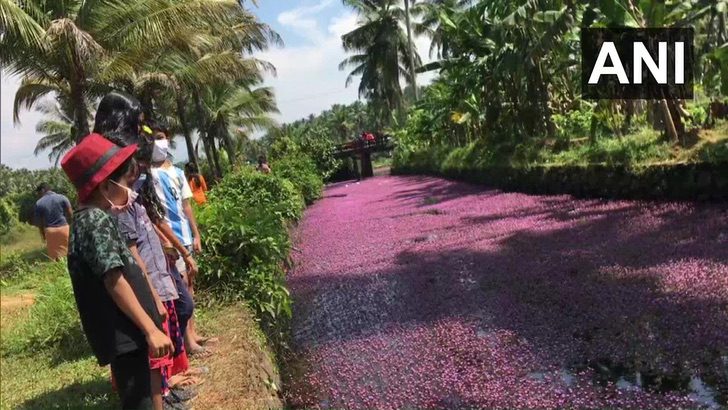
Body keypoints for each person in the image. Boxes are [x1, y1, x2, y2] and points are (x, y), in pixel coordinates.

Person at [61, 134, 173, 410]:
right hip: (126, 335)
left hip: (129, 334)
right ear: (104, 185)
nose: (128, 188)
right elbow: (113, 279)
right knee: (139, 401)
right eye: (122, 181)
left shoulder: (93, 218)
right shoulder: (94, 220)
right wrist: (149, 329)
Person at [147, 120, 213, 355]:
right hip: (169, 239)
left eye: (161, 137)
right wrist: (165, 241)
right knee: (181, 287)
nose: (158, 142)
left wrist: (196, 233)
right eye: (153, 137)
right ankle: (187, 342)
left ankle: (192, 333)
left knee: (190, 284)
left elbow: (186, 206)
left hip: (184, 235)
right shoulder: (149, 175)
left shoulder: (177, 172)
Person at [33, 183, 72, 260]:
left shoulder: (39, 203)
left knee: (56, 258)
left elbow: (40, 223)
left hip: (51, 231)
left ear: (43, 190)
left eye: (39, 192)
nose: (38, 194)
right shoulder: (62, 197)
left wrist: (43, 234)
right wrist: (70, 226)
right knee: (70, 254)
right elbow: (70, 214)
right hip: (64, 228)